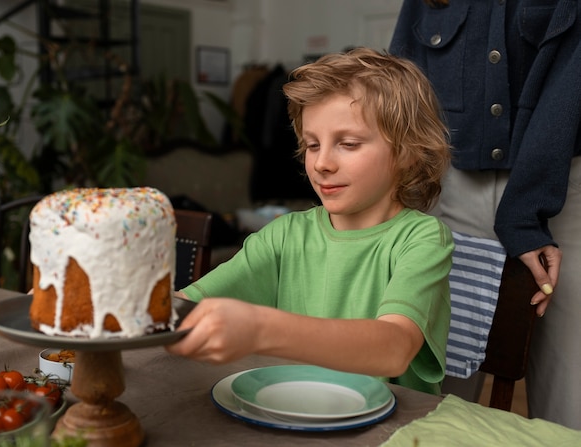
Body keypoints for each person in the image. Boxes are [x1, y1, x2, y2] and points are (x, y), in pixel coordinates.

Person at [166, 48, 455, 395]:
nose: (322, 163)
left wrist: (261, 329)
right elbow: (183, 308)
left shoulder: (421, 239)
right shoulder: (283, 235)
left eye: (347, 144)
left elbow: (394, 349)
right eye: (312, 145)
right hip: (287, 416)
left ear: (407, 152)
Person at [390, 0, 581, 428]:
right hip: (448, 186)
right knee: (430, 395)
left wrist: (525, 214)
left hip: (564, 185)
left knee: (571, 401)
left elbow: (572, 83)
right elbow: (401, 80)